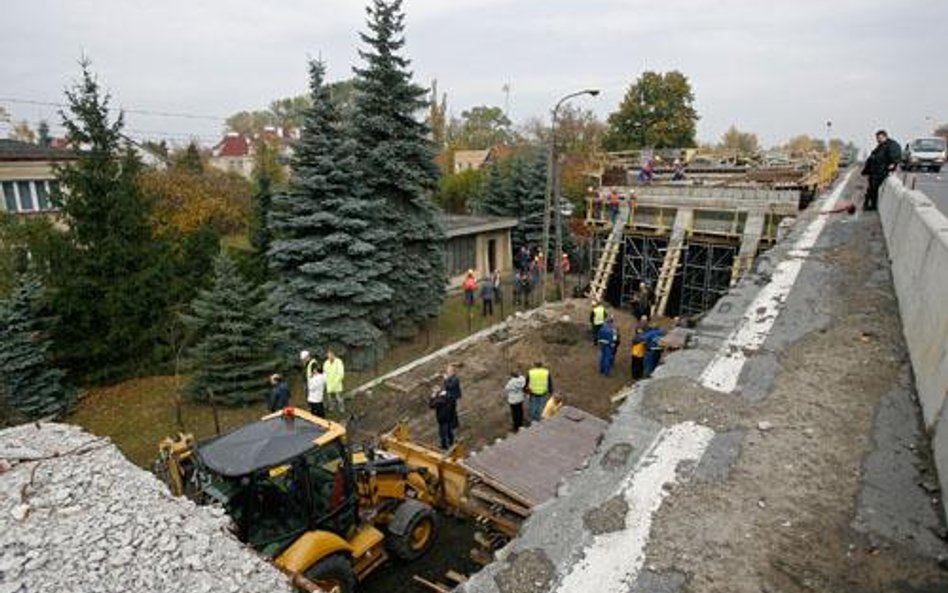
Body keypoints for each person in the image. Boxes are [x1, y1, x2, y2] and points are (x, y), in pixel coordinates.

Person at [861, 129, 901, 211]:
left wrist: (893, 164)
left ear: (885, 136)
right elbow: (872, 158)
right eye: (877, 138)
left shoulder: (892, 145)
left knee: (873, 189)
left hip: (882, 171)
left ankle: (873, 206)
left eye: (879, 138)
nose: (878, 140)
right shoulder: (880, 146)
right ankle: (869, 205)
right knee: (871, 189)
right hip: (875, 172)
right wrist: (865, 170)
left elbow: (895, 157)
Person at [323, 350, 346, 414]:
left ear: (333, 354)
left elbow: (341, 374)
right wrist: (325, 381)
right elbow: (325, 373)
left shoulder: (338, 362)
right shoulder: (326, 363)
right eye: (328, 355)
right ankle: (331, 407)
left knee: (339, 398)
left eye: (330, 354)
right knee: (330, 398)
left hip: (337, 384)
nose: (329, 356)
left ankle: (341, 408)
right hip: (329, 385)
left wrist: (336, 382)